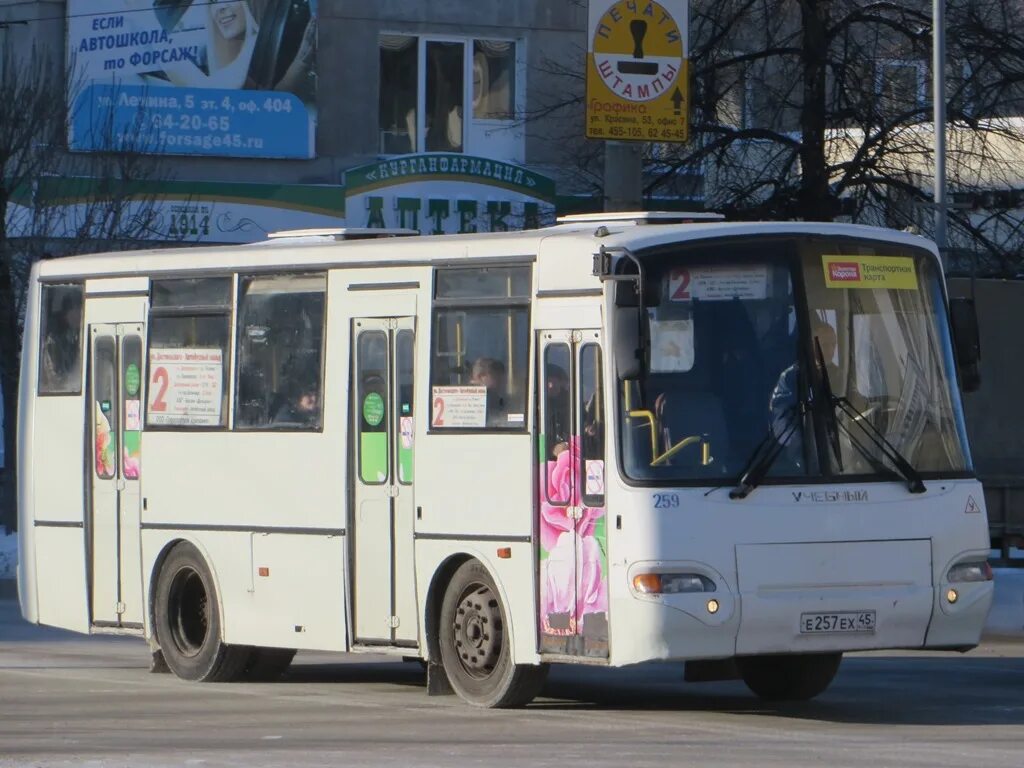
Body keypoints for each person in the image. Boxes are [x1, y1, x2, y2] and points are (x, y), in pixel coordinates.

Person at [470, 357, 508, 427]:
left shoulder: (496, 397)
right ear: (481, 376)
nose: (501, 382)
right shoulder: (487, 398)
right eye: (495, 377)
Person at [545, 364, 571, 457]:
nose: (551, 385)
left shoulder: (572, 403)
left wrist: (587, 429)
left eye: (554, 381)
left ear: (561, 383)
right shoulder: (537, 406)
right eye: (548, 381)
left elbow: (580, 427)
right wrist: (551, 450)